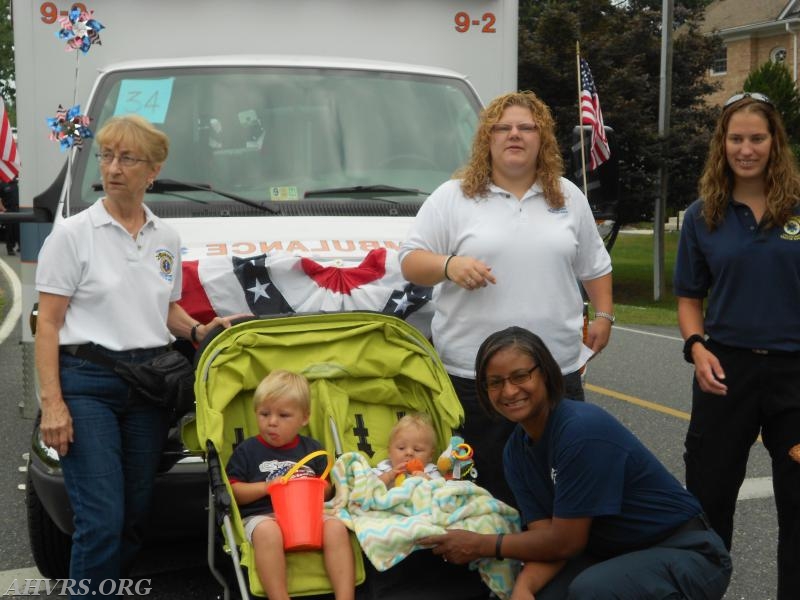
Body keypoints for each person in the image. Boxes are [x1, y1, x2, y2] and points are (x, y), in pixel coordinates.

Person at [35, 114, 236, 596]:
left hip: (149, 387)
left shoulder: (165, 237)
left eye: (127, 158)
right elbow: (47, 323)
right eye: (106, 156)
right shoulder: (72, 234)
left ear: (153, 169)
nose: (113, 167)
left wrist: (198, 329)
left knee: (133, 518)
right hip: (87, 385)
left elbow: (164, 308)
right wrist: (53, 404)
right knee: (101, 520)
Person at [399, 90, 613, 506]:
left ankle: (553, 569)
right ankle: (487, 567)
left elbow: (595, 266)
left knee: (559, 489)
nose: (515, 135)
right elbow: (410, 261)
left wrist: (604, 314)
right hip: (474, 377)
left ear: (542, 139)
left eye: (526, 127)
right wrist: (449, 265)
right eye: (504, 127)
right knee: (482, 493)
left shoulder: (568, 196)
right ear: (488, 138)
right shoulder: (454, 196)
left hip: (554, 371)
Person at [419, 326, 732, 600]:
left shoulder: (580, 430)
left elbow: (566, 542)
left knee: (592, 591)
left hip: (686, 552)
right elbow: (546, 542)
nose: (509, 391)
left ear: (545, 373)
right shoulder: (516, 450)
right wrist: (523, 590)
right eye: (495, 382)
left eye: (520, 376)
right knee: (543, 592)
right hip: (616, 556)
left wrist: (482, 544)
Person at [673, 91, 800, 600]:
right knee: (708, 498)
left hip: (795, 377)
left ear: (775, 142)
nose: (746, 149)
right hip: (724, 372)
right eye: (736, 138)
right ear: (721, 144)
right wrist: (697, 348)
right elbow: (687, 297)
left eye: (757, 138)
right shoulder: (703, 215)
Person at [226, 369, 355, 600]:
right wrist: (267, 487)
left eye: (283, 415)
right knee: (267, 532)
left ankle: (345, 596)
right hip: (265, 515)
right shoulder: (247, 451)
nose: (272, 422)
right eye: (264, 414)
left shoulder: (312, 449)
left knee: (336, 527)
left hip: (307, 516)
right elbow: (233, 492)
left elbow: (327, 489)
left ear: (304, 418)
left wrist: (310, 486)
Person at [372, 412, 443, 488]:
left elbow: (440, 489)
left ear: (430, 455)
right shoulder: (384, 468)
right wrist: (388, 476)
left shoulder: (430, 471)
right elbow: (369, 487)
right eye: (401, 448)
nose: (409, 453)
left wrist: (426, 480)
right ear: (389, 452)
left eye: (417, 450)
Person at [0, 176, 19, 255]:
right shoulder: (3, 185)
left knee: (17, 229)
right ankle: (10, 249)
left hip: (18, 209)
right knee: (9, 231)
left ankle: (20, 246)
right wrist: (3, 209)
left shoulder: (16, 184)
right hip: (8, 210)